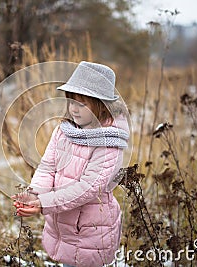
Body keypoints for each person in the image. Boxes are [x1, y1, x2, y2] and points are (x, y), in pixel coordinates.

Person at [12, 61, 130, 267]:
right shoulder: (65, 131)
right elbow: (48, 166)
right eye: (71, 101)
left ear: (101, 104)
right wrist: (35, 195)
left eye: (82, 103)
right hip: (63, 223)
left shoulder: (109, 142)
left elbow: (88, 187)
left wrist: (44, 203)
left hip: (91, 229)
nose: (74, 109)